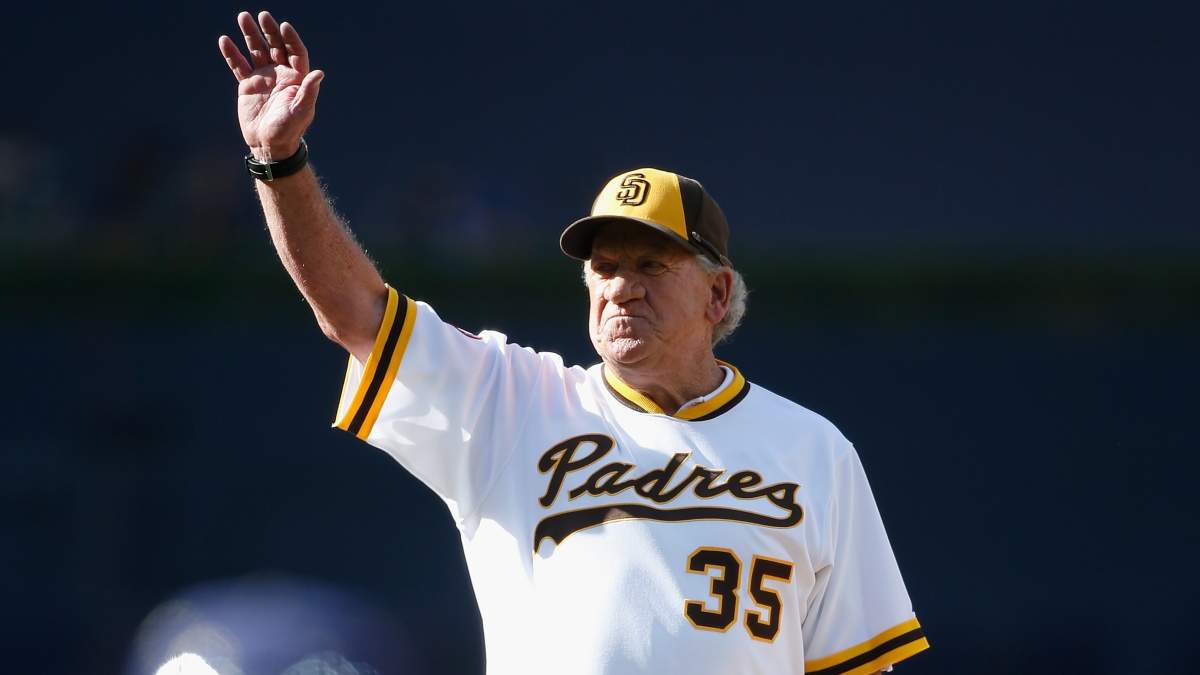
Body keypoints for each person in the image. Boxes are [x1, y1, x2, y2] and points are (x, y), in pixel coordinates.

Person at [218, 11, 929, 675]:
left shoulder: (813, 450)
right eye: (605, 267)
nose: (621, 287)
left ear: (717, 295)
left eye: (650, 265)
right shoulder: (512, 400)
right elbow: (356, 314)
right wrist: (279, 161)